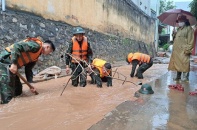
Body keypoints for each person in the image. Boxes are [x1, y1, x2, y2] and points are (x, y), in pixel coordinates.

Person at [0, 36, 55, 104]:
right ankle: (6, 105)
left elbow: (28, 69)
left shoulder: (36, 56)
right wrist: (14, 63)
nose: (49, 53)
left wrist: (30, 84)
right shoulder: (36, 46)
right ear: (47, 47)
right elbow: (17, 46)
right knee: (6, 92)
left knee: (18, 90)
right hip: (4, 61)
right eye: (50, 51)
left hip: (12, 67)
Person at [168, 15, 194, 82]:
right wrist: (173, 34)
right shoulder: (178, 29)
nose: (179, 23)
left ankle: (185, 78)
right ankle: (178, 77)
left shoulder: (189, 29)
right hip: (177, 50)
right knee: (177, 63)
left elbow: (191, 40)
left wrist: (188, 50)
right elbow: (175, 39)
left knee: (185, 63)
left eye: (180, 21)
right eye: (178, 21)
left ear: (185, 21)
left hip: (184, 50)